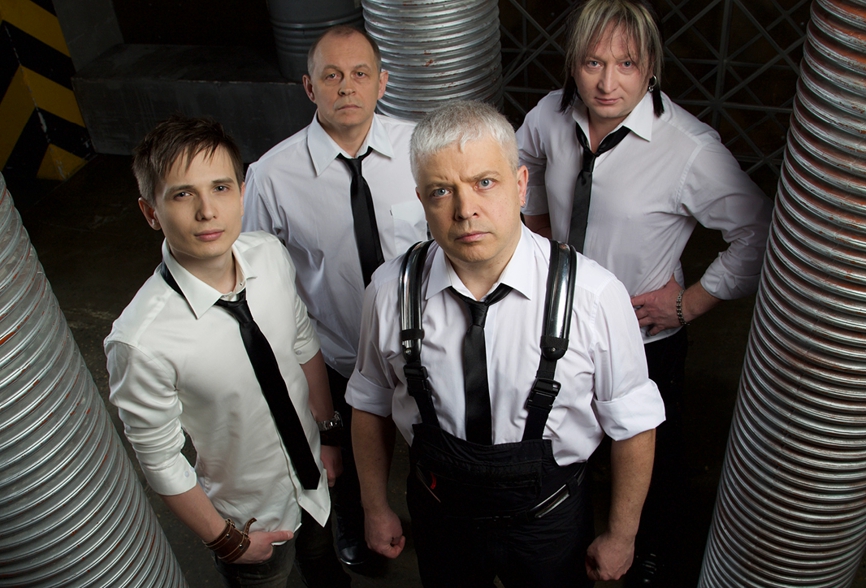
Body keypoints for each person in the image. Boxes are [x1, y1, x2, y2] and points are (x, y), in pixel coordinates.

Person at [346, 100, 665, 587]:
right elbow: (370, 403)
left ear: (520, 185)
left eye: (484, 182)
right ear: (421, 201)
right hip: (439, 513)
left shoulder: (594, 296)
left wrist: (622, 534)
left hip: (550, 520)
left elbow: (634, 424)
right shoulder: (390, 291)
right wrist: (374, 506)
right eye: (441, 191)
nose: (465, 210)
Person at [516, 0, 773, 584]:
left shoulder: (688, 147)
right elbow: (522, 161)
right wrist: (540, 230)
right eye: (593, 63)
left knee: (651, 456)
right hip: (559, 327)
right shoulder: (550, 115)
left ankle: (650, 553)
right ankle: (572, 543)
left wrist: (689, 303)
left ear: (651, 66)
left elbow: (760, 233)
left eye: (626, 64)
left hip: (643, 338)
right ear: (573, 64)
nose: (607, 83)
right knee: (566, 442)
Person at [105, 115, 351, 587]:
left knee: (326, 570)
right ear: (150, 212)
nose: (207, 211)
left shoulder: (269, 254)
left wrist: (328, 434)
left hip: (316, 481)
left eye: (220, 188)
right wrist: (227, 541)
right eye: (183, 194)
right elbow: (161, 460)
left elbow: (303, 343)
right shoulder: (141, 341)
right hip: (249, 521)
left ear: (241, 193)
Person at [242, 25, 426, 568]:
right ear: (309, 87)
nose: (347, 86)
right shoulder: (272, 176)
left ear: (382, 83)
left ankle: (429, 522)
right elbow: (256, 276)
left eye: (360, 74)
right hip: (338, 353)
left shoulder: (421, 148)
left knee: (432, 449)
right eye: (332, 75)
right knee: (340, 456)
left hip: (422, 345)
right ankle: (354, 522)